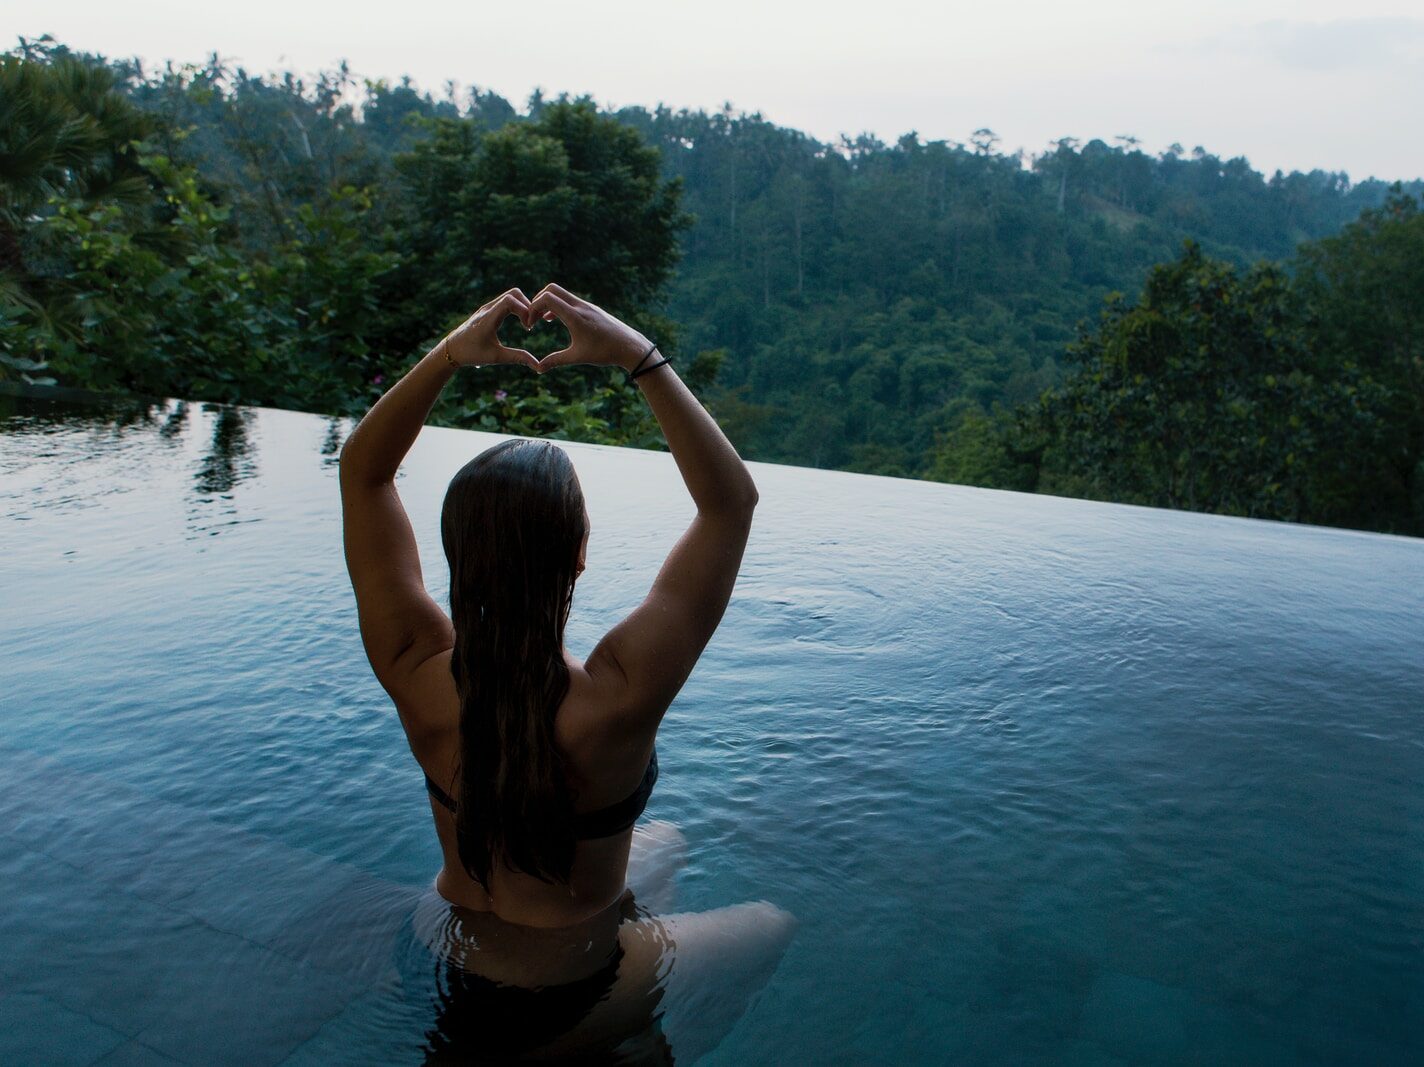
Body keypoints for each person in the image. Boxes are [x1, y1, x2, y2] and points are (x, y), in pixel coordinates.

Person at [339, 285, 794, 1061]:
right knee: (774, 924)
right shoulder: (618, 693)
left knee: (669, 841)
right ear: (579, 554)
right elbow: (730, 504)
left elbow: (363, 472)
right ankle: (609, 1038)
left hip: (435, 949)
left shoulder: (414, 665)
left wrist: (452, 352)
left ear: (456, 556)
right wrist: (636, 355)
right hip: (565, 989)